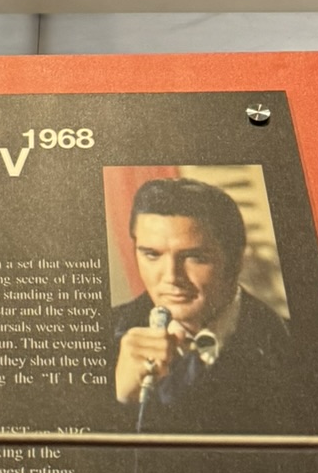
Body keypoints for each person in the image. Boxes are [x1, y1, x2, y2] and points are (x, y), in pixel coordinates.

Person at [111, 175, 295, 432]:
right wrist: (119, 401)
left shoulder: (298, 347)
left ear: (235, 262)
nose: (171, 277)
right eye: (152, 254)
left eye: (194, 257)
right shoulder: (99, 332)